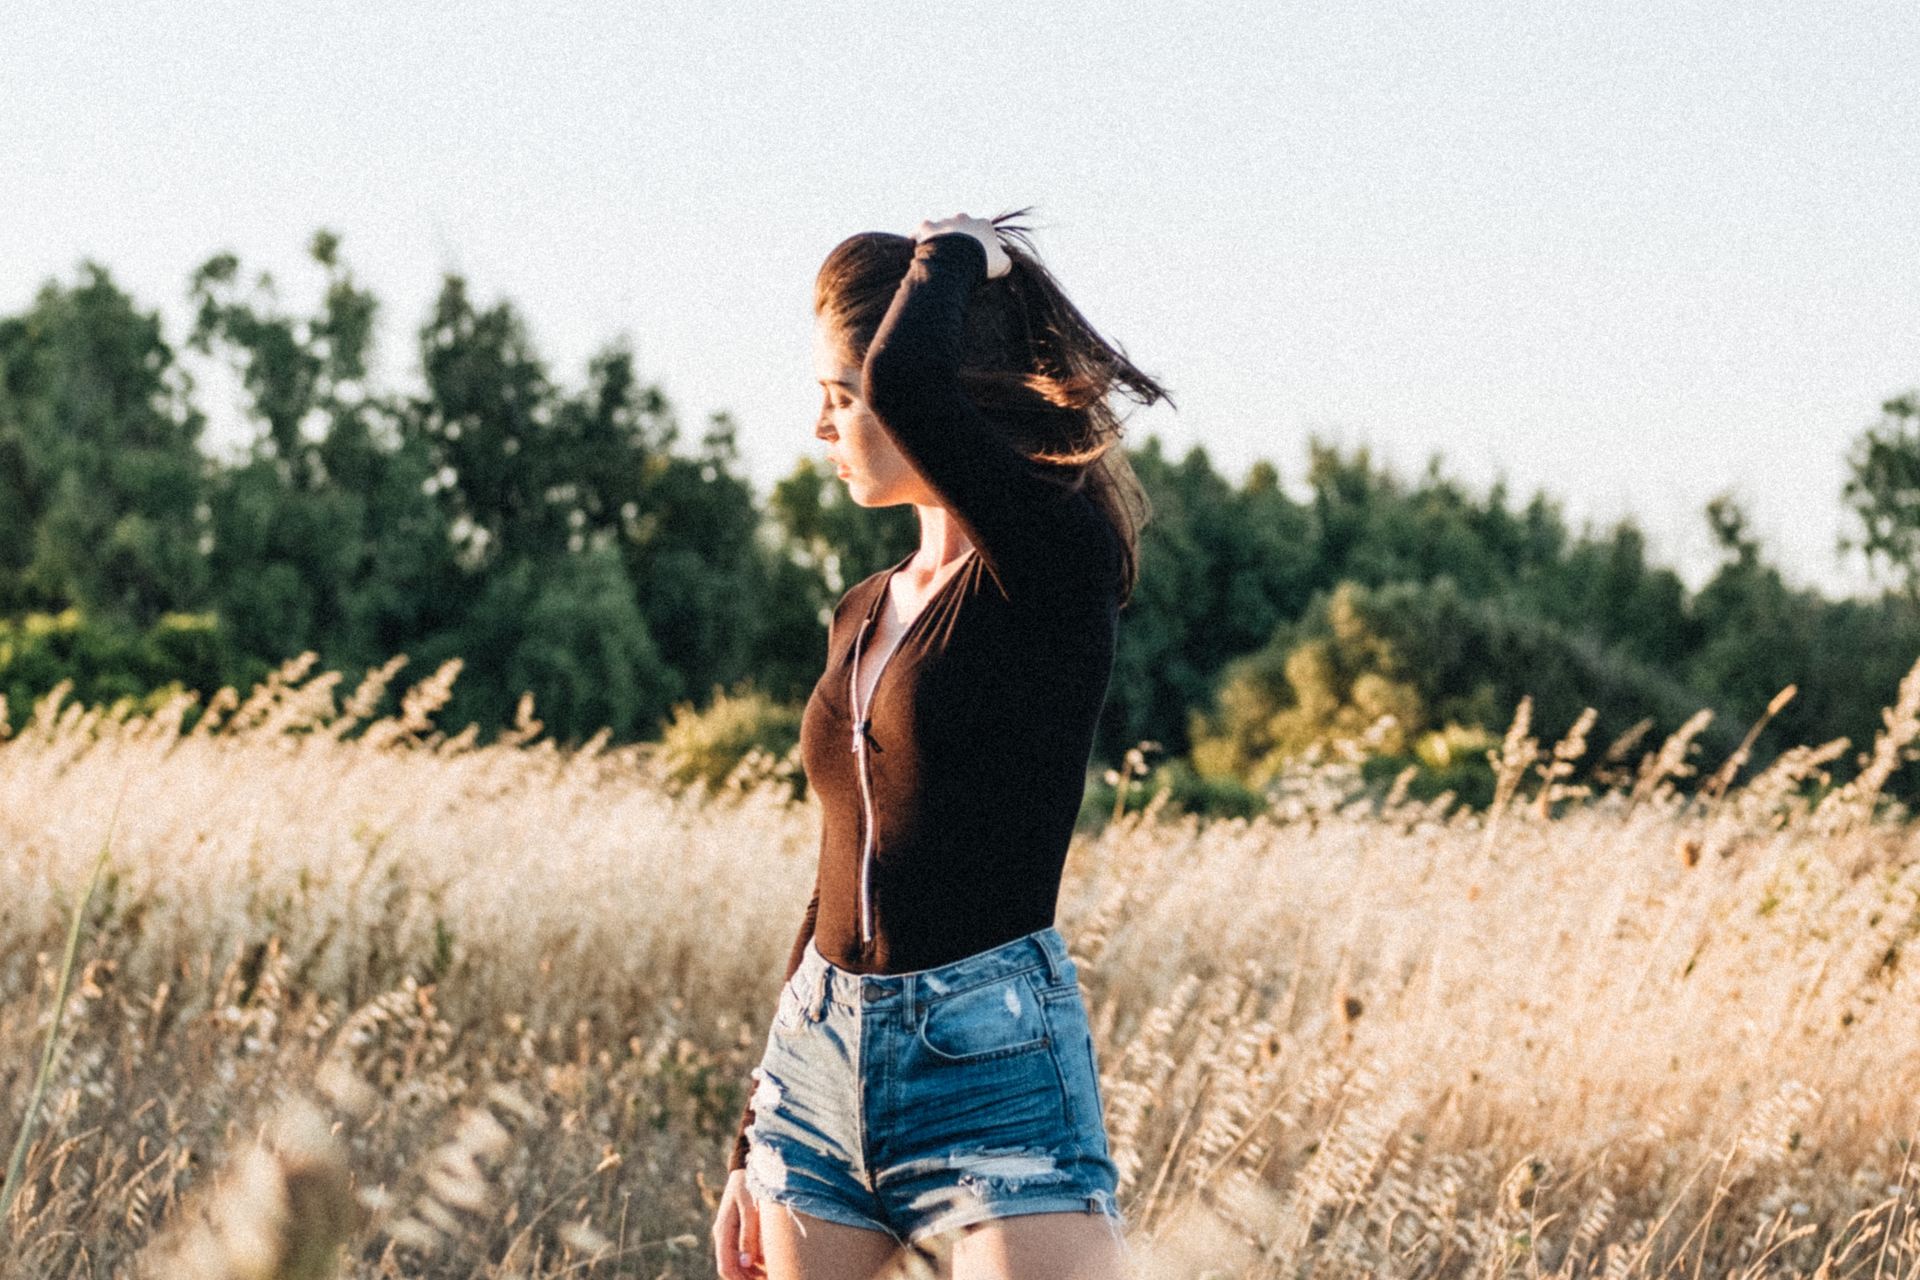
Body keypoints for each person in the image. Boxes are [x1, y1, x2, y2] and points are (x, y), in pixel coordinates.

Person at [711, 210, 1169, 1280]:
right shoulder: (862, 611)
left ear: (930, 388)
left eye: (841, 395)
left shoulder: (1057, 562)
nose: (822, 427)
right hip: (815, 1072)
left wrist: (958, 248)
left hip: (993, 1066)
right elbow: (843, 869)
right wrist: (752, 1137)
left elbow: (910, 381)